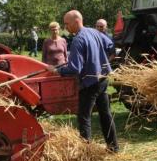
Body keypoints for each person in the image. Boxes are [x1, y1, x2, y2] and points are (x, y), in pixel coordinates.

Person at [47, 10, 119, 153]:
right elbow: (111, 47)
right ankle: (114, 147)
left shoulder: (78, 40)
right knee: (105, 114)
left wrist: (56, 70)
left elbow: (74, 68)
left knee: (84, 117)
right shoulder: (95, 32)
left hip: (90, 83)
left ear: (76, 21)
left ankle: (86, 155)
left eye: (67, 24)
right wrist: (103, 61)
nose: (65, 27)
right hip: (103, 79)